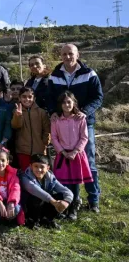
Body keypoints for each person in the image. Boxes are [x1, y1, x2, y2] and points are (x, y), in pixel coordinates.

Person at [47, 44, 103, 213]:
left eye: (70, 53)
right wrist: (53, 112)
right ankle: (71, 198)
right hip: (62, 124)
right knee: (66, 163)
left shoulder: (89, 74)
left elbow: (98, 97)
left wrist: (84, 112)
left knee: (88, 161)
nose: (67, 57)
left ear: (77, 54)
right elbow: (49, 98)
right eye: (64, 54)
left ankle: (93, 199)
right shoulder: (55, 76)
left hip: (83, 122)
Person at [51, 91, 93, 220]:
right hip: (63, 155)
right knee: (62, 183)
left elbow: (84, 137)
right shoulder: (56, 119)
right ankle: (63, 207)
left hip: (76, 155)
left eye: (69, 102)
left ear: (74, 103)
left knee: (75, 183)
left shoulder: (80, 118)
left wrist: (75, 151)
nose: (66, 104)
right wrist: (63, 152)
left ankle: (73, 209)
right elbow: (54, 137)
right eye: (63, 102)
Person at [21, 154, 73, 229]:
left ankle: (47, 219)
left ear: (48, 168)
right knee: (37, 197)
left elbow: (66, 191)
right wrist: (54, 202)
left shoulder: (50, 177)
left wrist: (66, 202)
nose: (39, 170)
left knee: (62, 196)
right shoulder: (25, 178)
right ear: (31, 166)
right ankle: (33, 220)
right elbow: (37, 191)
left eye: (42, 167)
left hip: (44, 204)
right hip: (30, 207)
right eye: (36, 166)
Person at [11, 88, 50, 171]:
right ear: (19, 98)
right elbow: (15, 126)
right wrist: (18, 116)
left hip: (39, 150)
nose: (27, 99)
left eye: (30, 97)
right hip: (23, 150)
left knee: (39, 173)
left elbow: (47, 130)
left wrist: (44, 143)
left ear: (34, 98)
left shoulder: (41, 112)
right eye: (24, 97)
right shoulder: (16, 111)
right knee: (26, 174)